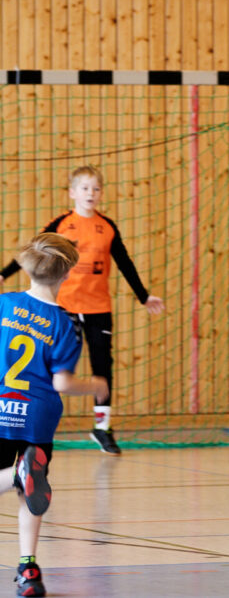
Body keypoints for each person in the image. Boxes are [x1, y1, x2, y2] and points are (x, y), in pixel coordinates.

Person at [0, 166, 165, 455]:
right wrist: (3, 274)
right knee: (55, 367)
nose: (91, 193)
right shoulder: (62, 224)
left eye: (96, 188)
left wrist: (143, 296)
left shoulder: (108, 227)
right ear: (72, 192)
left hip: (98, 307)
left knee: (103, 364)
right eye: (85, 188)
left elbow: (124, 262)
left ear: (101, 193)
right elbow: (35, 251)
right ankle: (32, 419)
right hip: (66, 308)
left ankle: (102, 427)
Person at [0, 233, 109, 597]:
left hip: (1, 409)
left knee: (24, 484)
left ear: (27, 268)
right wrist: (94, 386)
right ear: (66, 275)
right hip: (38, 419)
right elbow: (62, 383)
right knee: (30, 494)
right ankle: (28, 569)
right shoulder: (66, 324)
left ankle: (17, 473)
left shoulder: (4, 304)